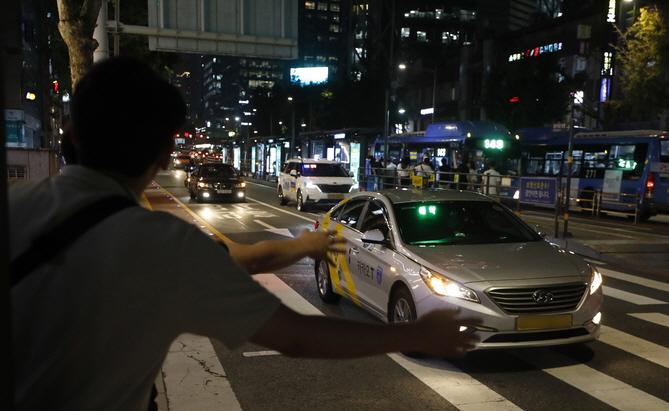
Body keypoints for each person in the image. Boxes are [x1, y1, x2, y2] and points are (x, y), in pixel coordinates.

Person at [9, 58, 479, 411]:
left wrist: (301, 246)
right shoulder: (164, 245)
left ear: (71, 134)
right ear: (166, 150)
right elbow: (296, 336)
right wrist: (416, 333)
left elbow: (241, 263)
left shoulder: (14, 206)